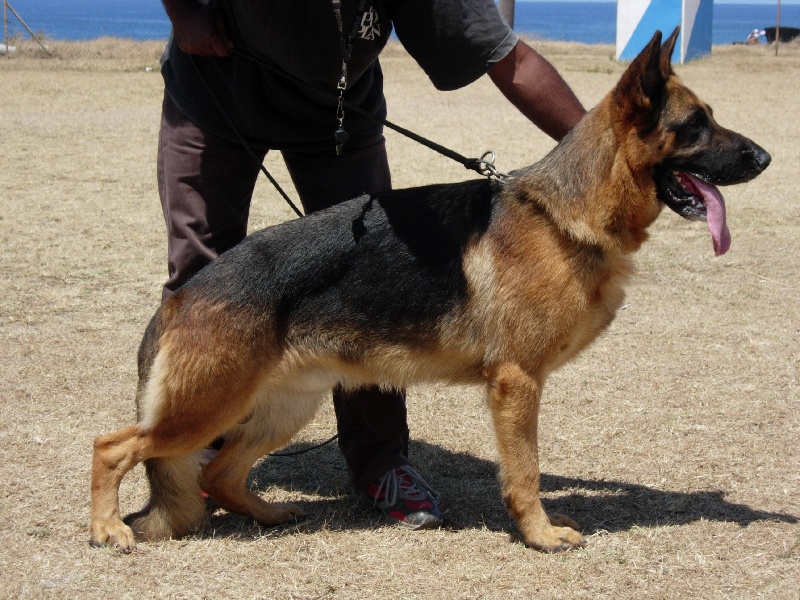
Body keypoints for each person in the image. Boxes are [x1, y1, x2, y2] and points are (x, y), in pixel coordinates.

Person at [157, 0, 586, 530]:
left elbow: (505, 57)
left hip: (339, 114)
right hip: (215, 89)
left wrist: (600, 151)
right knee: (199, 275)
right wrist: (182, 11)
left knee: (377, 286)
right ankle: (194, 454)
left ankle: (380, 463)